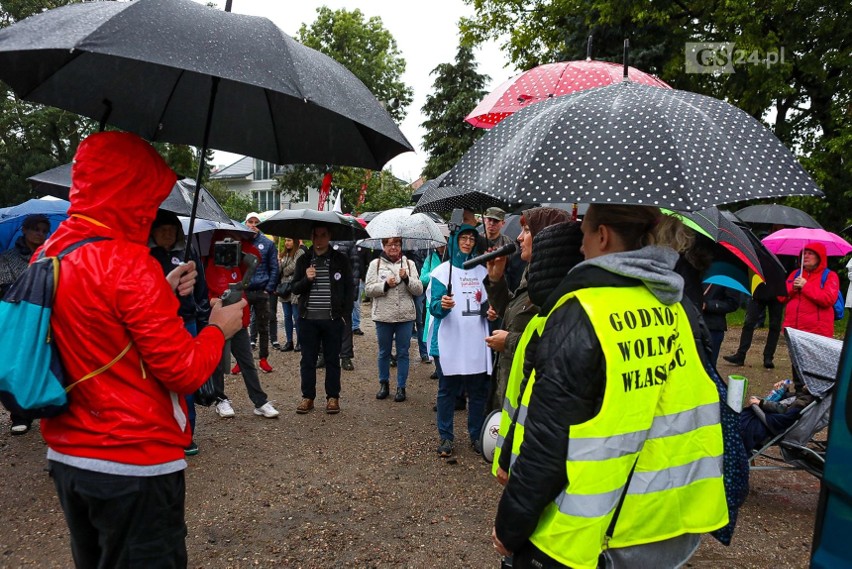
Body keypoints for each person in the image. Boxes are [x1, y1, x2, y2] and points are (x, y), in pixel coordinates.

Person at [38, 131, 245, 568]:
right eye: (149, 195)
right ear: (129, 192)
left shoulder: (53, 250)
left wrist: (163, 293)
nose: (153, 210)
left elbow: (98, 328)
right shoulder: (129, 264)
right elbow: (185, 372)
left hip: (67, 455)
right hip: (134, 462)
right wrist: (217, 329)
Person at [492, 204, 728, 568]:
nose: (580, 246)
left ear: (602, 236)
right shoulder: (678, 309)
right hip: (664, 530)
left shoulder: (581, 311)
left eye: (584, 233)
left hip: (585, 538)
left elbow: (547, 443)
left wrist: (510, 527)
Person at [483, 207, 574, 412]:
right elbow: (512, 314)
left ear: (547, 235)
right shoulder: (532, 273)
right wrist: (496, 280)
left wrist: (509, 342)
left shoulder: (555, 286)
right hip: (511, 381)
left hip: (531, 395)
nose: (519, 238)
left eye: (526, 230)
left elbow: (553, 344)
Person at [148, 210, 211, 455]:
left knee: (185, 379)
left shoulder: (187, 254)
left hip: (187, 321)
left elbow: (202, 290)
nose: (167, 234)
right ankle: (159, 431)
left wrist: (202, 317)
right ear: (152, 232)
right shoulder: (145, 256)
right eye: (162, 230)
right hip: (155, 324)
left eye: (172, 230)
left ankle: (186, 435)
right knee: (156, 379)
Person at [428, 225, 492, 458]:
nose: (467, 243)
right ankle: (446, 436)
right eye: (463, 238)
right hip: (452, 341)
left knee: (477, 392)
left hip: (476, 340)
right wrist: (442, 306)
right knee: (447, 390)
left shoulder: (482, 271)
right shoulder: (442, 273)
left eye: (471, 239)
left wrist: (490, 313)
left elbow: (486, 304)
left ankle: (476, 435)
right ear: (455, 241)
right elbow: (434, 307)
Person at [205, 231, 280, 420]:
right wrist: (214, 301)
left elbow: (256, 257)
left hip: (238, 319)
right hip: (217, 320)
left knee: (246, 361)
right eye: (225, 239)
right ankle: (220, 398)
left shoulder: (238, 258)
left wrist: (240, 245)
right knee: (217, 364)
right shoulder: (208, 261)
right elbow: (203, 292)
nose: (228, 243)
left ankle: (260, 401)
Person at [291, 224, 353, 414]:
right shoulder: (304, 260)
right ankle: (307, 397)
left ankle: (332, 397)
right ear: (311, 237)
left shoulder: (340, 260)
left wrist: (345, 315)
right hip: (307, 319)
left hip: (332, 319)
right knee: (307, 360)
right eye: (315, 236)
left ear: (329, 236)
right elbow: (294, 288)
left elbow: (350, 289)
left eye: (323, 235)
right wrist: (306, 280)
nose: (319, 240)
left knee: (332, 359)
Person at [0, 213, 51, 435]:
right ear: (24, 230)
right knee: (19, 365)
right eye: (35, 229)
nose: (40, 234)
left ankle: (47, 410)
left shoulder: (51, 256)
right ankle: (19, 415)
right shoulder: (7, 258)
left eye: (43, 230)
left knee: (46, 363)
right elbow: (3, 288)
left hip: (46, 315)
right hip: (19, 315)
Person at [365, 237, 423, 402]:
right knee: (384, 352)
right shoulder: (375, 264)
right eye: (390, 244)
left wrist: (406, 279)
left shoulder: (409, 264)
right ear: (383, 246)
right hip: (383, 315)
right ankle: (384, 383)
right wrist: (384, 285)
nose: (393, 247)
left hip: (405, 316)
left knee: (403, 352)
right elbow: (368, 290)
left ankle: (401, 387)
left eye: (397, 244)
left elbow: (418, 289)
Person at [243, 212, 279, 373]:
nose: (253, 225)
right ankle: (241, 360)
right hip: (243, 291)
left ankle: (263, 358)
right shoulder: (240, 242)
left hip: (261, 290)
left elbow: (274, 268)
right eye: (250, 222)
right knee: (240, 326)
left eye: (256, 222)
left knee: (263, 325)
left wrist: (268, 289)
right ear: (245, 223)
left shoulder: (268, 244)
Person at [782, 243, 838, 339]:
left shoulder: (830, 275)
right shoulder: (795, 274)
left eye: (810, 253)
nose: (806, 256)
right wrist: (793, 288)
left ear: (819, 257)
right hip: (793, 329)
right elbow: (781, 297)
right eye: (804, 253)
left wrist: (805, 286)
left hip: (817, 332)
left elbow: (828, 299)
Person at [277, 237, 304, 352]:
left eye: (289, 240)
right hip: (284, 289)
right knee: (287, 316)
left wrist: (284, 269)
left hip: (294, 288)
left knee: (297, 316)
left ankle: (300, 341)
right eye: (286, 240)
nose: (287, 243)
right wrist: (279, 262)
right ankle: (289, 341)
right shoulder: (283, 254)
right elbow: (278, 271)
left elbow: (294, 267)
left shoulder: (300, 252)